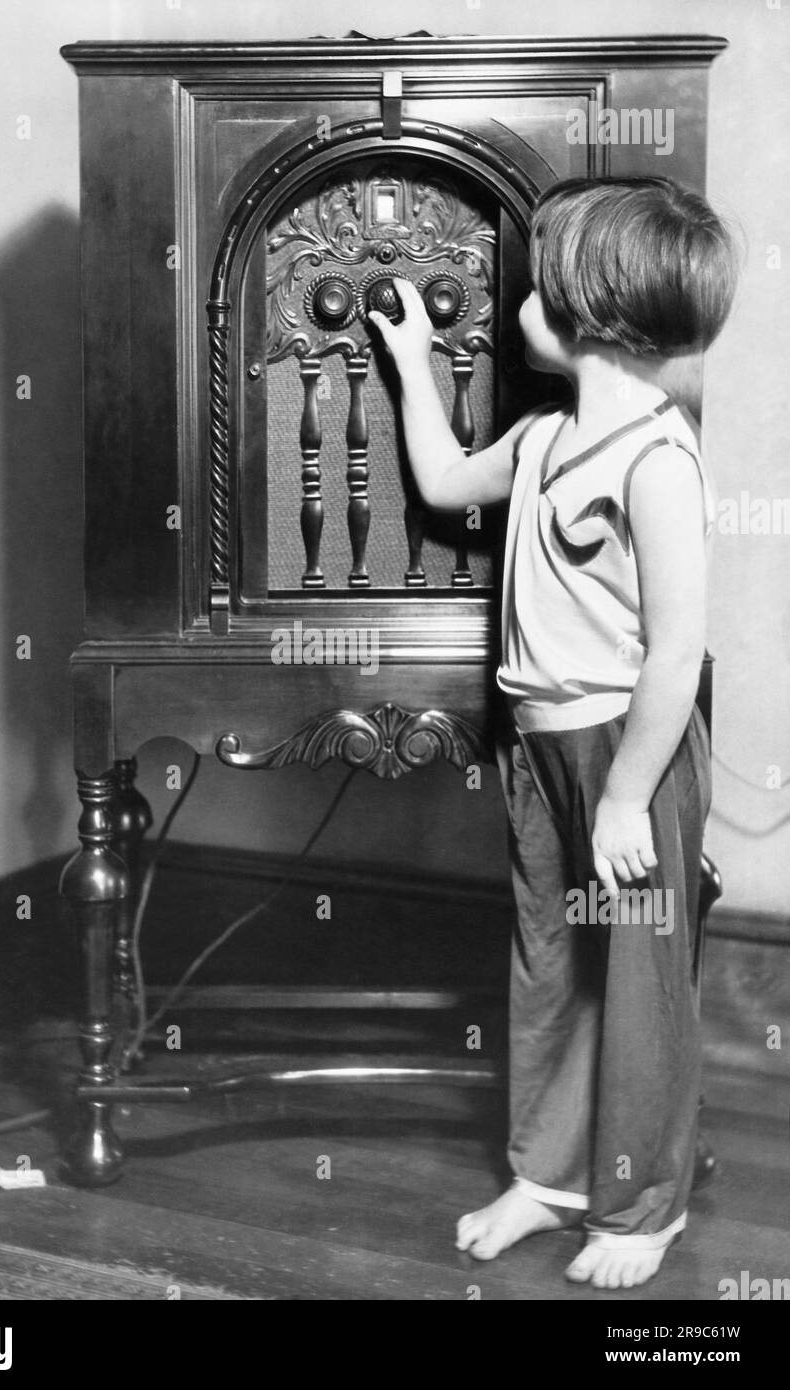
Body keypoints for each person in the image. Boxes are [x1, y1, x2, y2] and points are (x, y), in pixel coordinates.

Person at [367, 176, 738, 1290]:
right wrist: (414, 361)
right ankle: (550, 1173)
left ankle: (639, 1205)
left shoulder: (656, 461)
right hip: (534, 746)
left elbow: (674, 653)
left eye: (533, 286)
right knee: (550, 963)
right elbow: (438, 480)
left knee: (637, 979)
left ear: (591, 313)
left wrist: (626, 795)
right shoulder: (539, 437)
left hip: (627, 753)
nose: (515, 300)